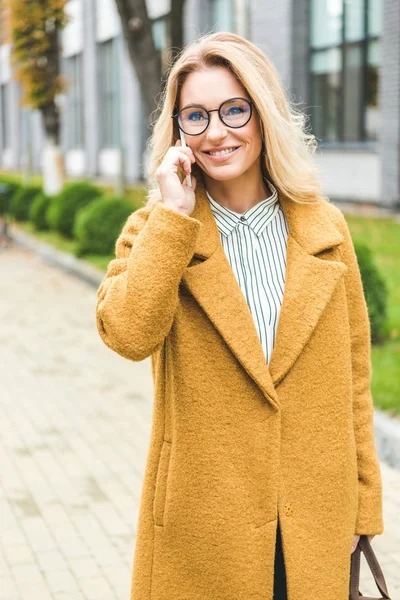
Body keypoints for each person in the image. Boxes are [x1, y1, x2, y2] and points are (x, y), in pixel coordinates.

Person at [95, 31, 383, 600]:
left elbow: (354, 381)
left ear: (263, 113)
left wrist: (364, 505)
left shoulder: (324, 229)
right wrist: (174, 218)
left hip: (313, 520)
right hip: (204, 526)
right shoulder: (157, 230)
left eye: (233, 109)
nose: (217, 132)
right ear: (178, 132)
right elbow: (127, 334)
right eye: (195, 117)